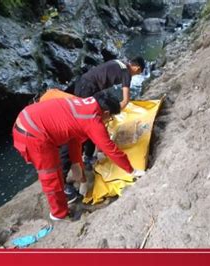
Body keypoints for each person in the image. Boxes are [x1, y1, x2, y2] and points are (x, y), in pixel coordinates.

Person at [12, 91, 145, 221]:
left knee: (57, 167)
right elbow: (111, 149)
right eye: (110, 118)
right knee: (51, 174)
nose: (108, 121)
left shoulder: (83, 104)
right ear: (105, 113)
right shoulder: (93, 120)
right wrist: (132, 171)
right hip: (32, 134)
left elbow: (74, 140)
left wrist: (80, 175)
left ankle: (62, 200)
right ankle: (59, 214)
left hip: (27, 118)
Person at [66, 56, 146, 171]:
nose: (136, 75)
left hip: (81, 82)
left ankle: (85, 154)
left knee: (84, 119)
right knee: (91, 122)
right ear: (136, 67)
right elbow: (125, 100)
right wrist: (113, 113)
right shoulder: (126, 73)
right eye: (138, 72)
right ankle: (87, 157)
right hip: (88, 88)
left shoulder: (119, 62)